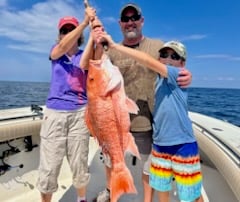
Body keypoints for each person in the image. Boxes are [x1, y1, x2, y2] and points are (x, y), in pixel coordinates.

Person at [91, 3, 192, 202]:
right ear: (120, 24)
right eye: (126, 20)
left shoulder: (157, 47)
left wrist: (186, 74)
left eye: (134, 17)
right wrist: (95, 36)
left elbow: (170, 66)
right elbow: (95, 67)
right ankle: (111, 192)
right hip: (115, 122)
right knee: (111, 162)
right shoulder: (111, 52)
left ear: (142, 21)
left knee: (148, 167)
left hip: (147, 122)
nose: (130, 23)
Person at [36, 7, 96, 202]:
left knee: (79, 164)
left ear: (79, 36)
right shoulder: (56, 53)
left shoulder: (83, 54)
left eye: (72, 29)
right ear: (60, 34)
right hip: (54, 115)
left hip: (80, 113)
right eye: (65, 30)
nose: (68, 33)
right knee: (49, 168)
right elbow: (60, 49)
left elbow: (86, 64)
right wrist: (84, 23)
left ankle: (81, 199)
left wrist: (94, 30)